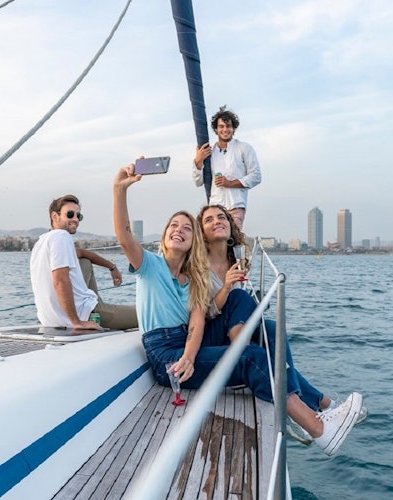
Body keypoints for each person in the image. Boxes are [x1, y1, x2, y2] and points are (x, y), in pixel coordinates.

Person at [113, 164, 363, 456]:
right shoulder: (149, 265)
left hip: (187, 343)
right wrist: (120, 189)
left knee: (264, 331)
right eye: (173, 226)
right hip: (165, 353)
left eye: (186, 228)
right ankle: (319, 429)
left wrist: (190, 355)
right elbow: (125, 236)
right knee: (251, 356)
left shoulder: (192, 277)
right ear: (164, 235)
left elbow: (196, 323)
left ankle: (311, 408)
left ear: (194, 241)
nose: (179, 230)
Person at [198, 203, 367, 444]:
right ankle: (318, 407)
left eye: (221, 217)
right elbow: (202, 313)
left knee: (271, 329)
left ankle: (321, 407)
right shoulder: (198, 265)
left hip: (231, 328)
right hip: (211, 334)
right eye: (209, 219)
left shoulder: (235, 259)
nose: (217, 221)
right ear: (202, 233)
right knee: (239, 297)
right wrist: (226, 287)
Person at [30, 194, 138, 330]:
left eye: (78, 216)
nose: (75, 219)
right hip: (85, 315)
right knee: (148, 312)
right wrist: (76, 322)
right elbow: (60, 281)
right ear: (55, 216)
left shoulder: (42, 242)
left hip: (51, 320)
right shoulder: (61, 236)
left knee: (85, 261)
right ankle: (91, 311)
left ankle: (91, 304)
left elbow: (82, 253)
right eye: (70, 214)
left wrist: (111, 267)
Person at [192, 106, 261, 230]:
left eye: (228, 126)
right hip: (215, 208)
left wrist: (230, 183)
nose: (225, 129)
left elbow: (256, 176)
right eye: (221, 126)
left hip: (235, 207)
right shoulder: (209, 152)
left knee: (232, 240)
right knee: (211, 240)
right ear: (216, 129)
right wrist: (198, 160)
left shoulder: (244, 148)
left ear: (233, 128)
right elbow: (198, 182)